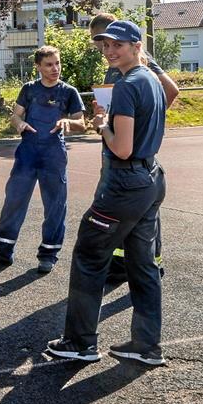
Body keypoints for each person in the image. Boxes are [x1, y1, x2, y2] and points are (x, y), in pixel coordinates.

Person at [46, 20, 168, 366]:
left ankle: (80, 342)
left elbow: (123, 148)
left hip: (125, 182)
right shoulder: (151, 81)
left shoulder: (128, 84)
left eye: (118, 45)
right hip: (151, 177)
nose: (110, 51)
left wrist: (102, 127)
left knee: (88, 257)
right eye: (105, 46)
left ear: (136, 46)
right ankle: (146, 345)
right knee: (142, 265)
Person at [0, 46, 86, 274]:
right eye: (49, 65)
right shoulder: (29, 89)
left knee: (55, 205)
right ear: (38, 67)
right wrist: (19, 124)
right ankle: (2, 252)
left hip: (54, 155)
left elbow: (82, 123)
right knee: (14, 201)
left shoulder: (69, 92)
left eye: (57, 63)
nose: (55, 68)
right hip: (27, 153)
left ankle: (49, 254)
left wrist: (68, 123)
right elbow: (15, 115)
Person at [89, 13, 178, 279]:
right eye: (103, 46)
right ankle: (123, 263)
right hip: (117, 148)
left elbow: (171, 91)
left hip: (129, 154)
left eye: (110, 44)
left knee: (134, 212)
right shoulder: (118, 66)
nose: (105, 51)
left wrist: (143, 123)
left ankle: (149, 262)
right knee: (127, 214)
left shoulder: (142, 64)